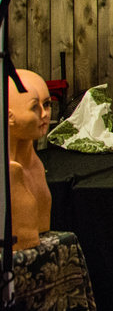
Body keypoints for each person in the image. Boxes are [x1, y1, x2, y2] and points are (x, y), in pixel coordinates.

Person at [9, 69, 53, 251]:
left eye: (47, 104)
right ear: (9, 116)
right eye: (34, 107)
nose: (44, 114)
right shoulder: (9, 172)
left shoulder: (36, 164)